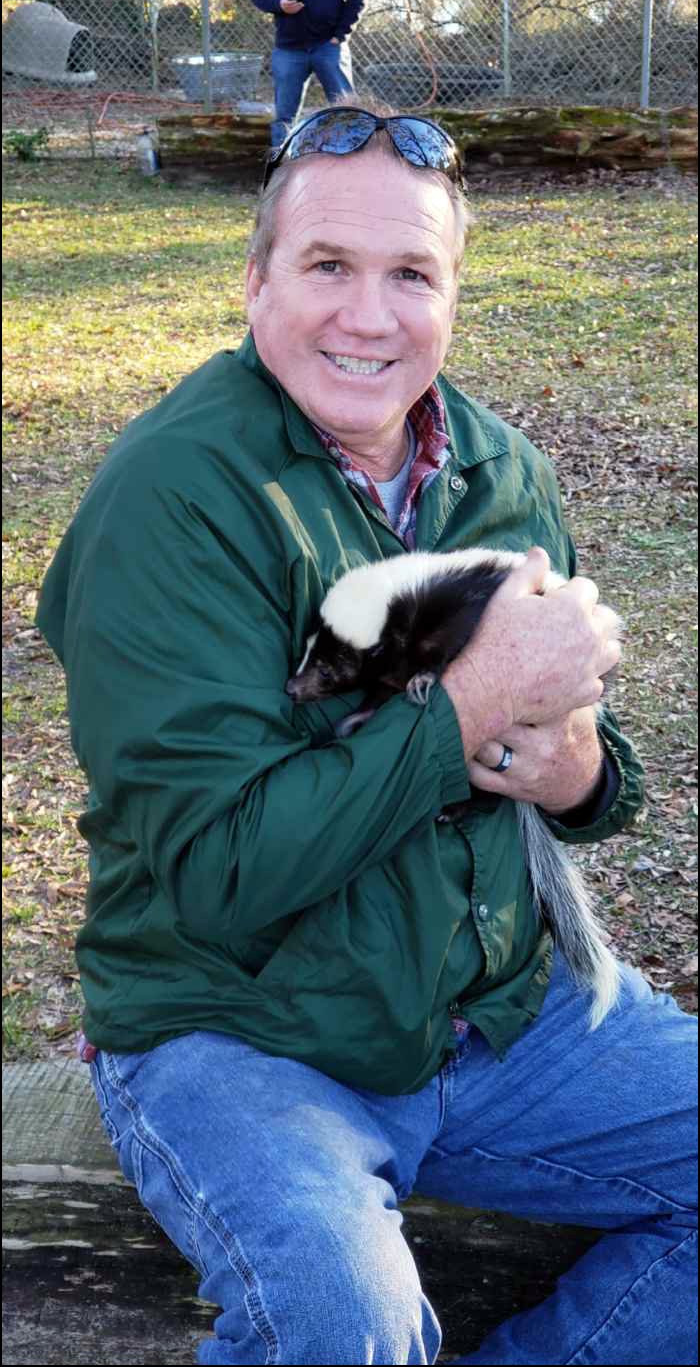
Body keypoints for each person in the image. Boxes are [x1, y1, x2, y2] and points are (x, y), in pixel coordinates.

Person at [36, 98, 697, 1366]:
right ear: (256, 282)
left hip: (491, 1014)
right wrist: (464, 711)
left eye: (411, 274)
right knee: (339, 1320)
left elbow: (592, 773)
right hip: (243, 1029)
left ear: (452, 295)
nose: (369, 316)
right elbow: (222, 872)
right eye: (328, 265)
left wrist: (576, 773)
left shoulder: (499, 468)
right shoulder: (171, 499)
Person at [249, 0, 367, 146]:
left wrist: (341, 34)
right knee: (284, 117)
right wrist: (279, 3)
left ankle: (352, 157)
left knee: (346, 112)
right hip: (289, 47)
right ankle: (282, 162)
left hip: (329, 45)